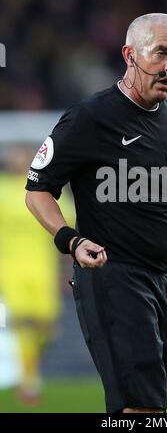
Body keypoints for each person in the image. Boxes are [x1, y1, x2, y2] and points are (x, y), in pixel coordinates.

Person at [25, 13, 167, 413]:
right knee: (140, 408)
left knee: (151, 403)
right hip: (114, 276)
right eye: (161, 53)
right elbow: (37, 190)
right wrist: (71, 239)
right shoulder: (89, 117)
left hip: (162, 279)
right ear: (130, 55)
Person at [0, 145, 73, 405]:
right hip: (11, 268)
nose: (18, 161)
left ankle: (29, 368)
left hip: (43, 268)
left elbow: (69, 219)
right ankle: (29, 381)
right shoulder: (2, 189)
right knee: (24, 323)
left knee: (47, 326)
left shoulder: (46, 191)